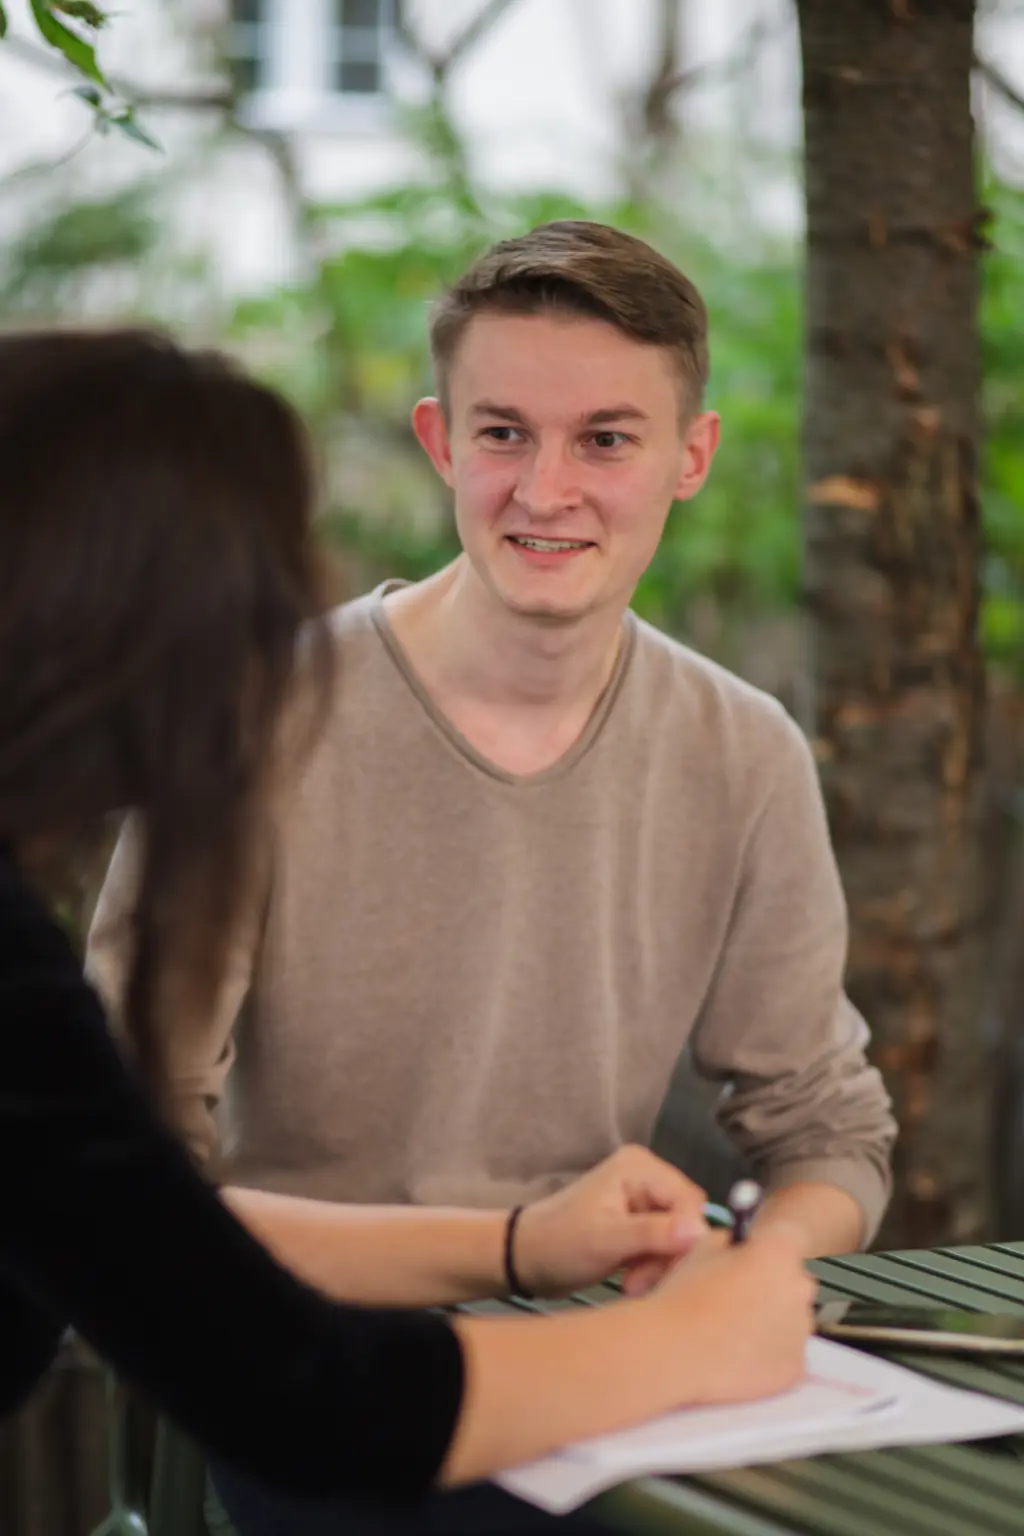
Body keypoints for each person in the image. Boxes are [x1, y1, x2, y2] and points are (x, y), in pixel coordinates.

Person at [87, 224, 897, 1529]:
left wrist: (748, 1271)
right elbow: (134, 1200)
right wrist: (523, 1246)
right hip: (312, 1369)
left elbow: (828, 1134)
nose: (547, 488)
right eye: (505, 432)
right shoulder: (244, 721)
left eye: (607, 440)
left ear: (691, 457)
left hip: (610, 1359)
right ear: (438, 441)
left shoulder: (744, 751)